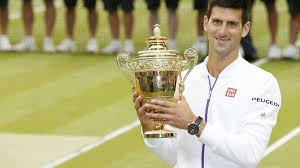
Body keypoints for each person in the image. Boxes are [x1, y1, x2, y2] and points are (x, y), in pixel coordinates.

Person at [133, 0, 281, 167]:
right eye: (217, 22)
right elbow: (171, 155)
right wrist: (150, 128)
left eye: (231, 24)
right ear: (205, 23)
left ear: (245, 29)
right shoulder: (182, 79)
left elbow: (250, 154)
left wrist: (194, 123)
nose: (223, 31)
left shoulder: (263, 84)